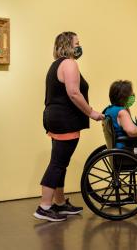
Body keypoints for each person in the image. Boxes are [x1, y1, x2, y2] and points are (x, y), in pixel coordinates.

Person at [33, 32, 104, 222]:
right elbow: (73, 93)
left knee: (60, 162)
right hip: (64, 119)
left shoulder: (56, 64)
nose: (80, 47)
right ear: (68, 45)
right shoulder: (70, 64)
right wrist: (92, 113)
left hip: (55, 117)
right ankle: (44, 207)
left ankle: (60, 202)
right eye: (77, 43)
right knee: (58, 163)